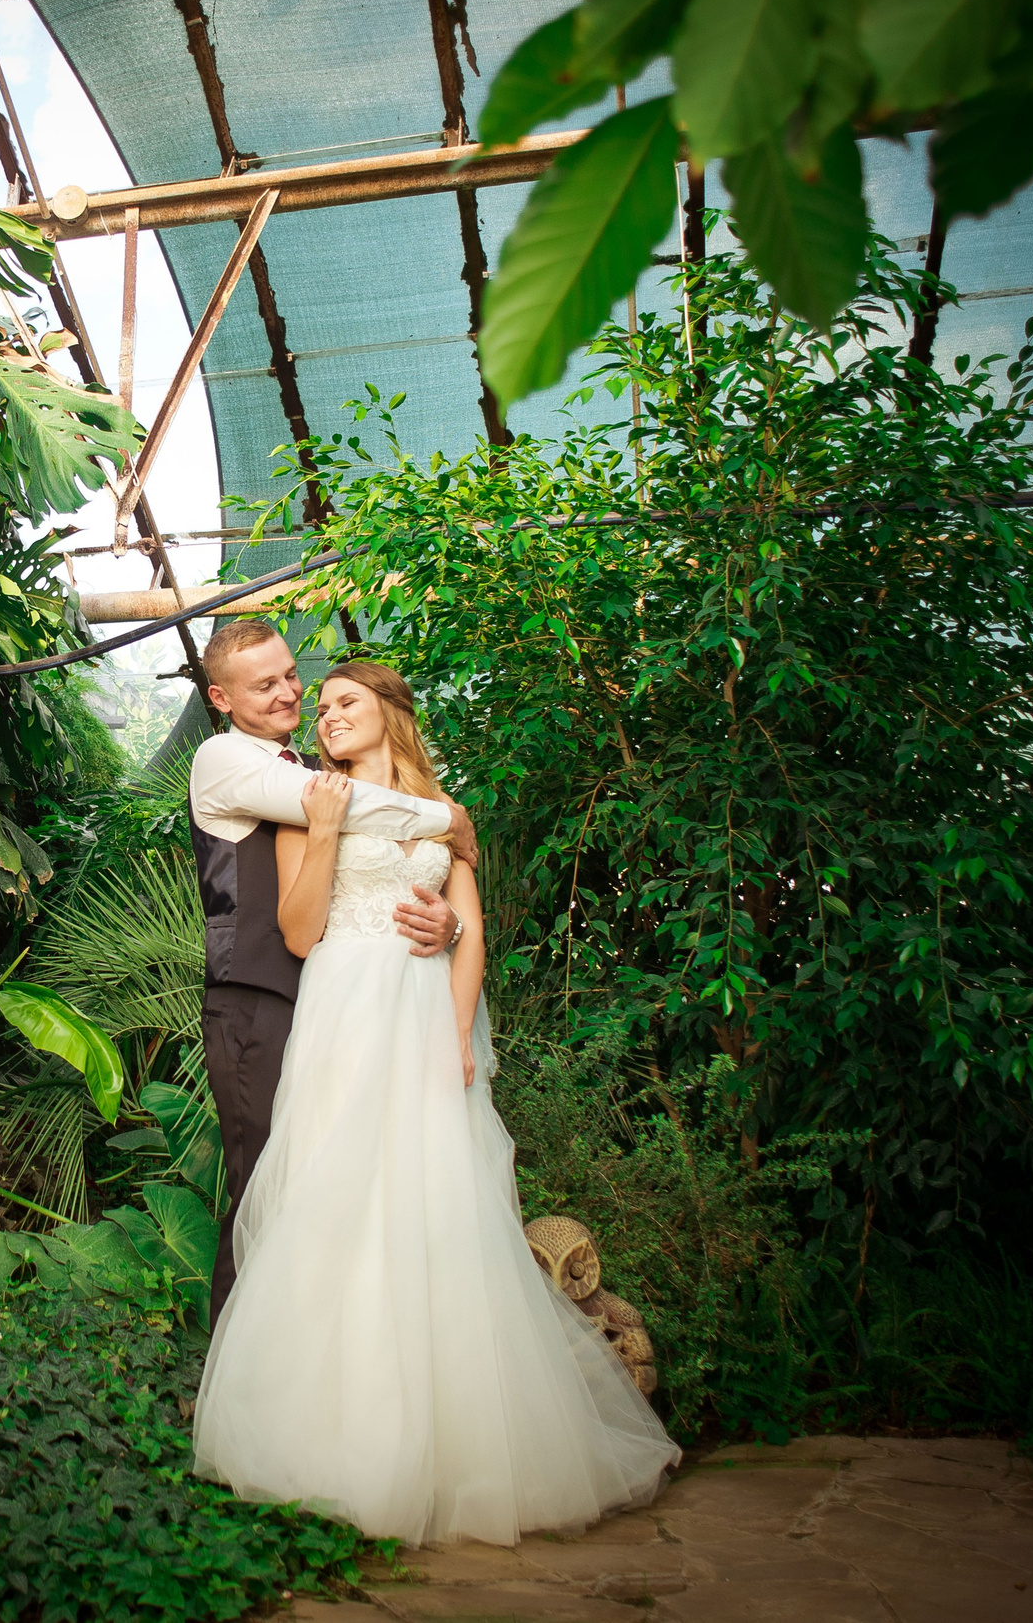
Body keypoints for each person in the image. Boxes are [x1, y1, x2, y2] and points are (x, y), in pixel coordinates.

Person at [192, 658, 679, 1546]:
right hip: (345, 1010)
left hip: (422, 1018)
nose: (325, 713)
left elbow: (471, 925)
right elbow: (300, 931)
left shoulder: (441, 807)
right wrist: (331, 827)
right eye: (321, 703)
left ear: (389, 712)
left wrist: (459, 1033)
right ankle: (338, 1438)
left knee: (437, 1213)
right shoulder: (308, 796)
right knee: (340, 1206)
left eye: (343, 701)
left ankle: (456, 1446)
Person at [187, 619, 476, 1318]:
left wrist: (454, 921)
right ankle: (238, 1388)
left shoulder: (318, 773)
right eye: (265, 685)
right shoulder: (225, 760)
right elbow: (358, 811)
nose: (291, 692)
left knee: (354, 1186)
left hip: (341, 1004)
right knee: (266, 1186)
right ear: (221, 700)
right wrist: (450, 817)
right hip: (258, 1001)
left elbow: (362, 815)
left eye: (291, 674)